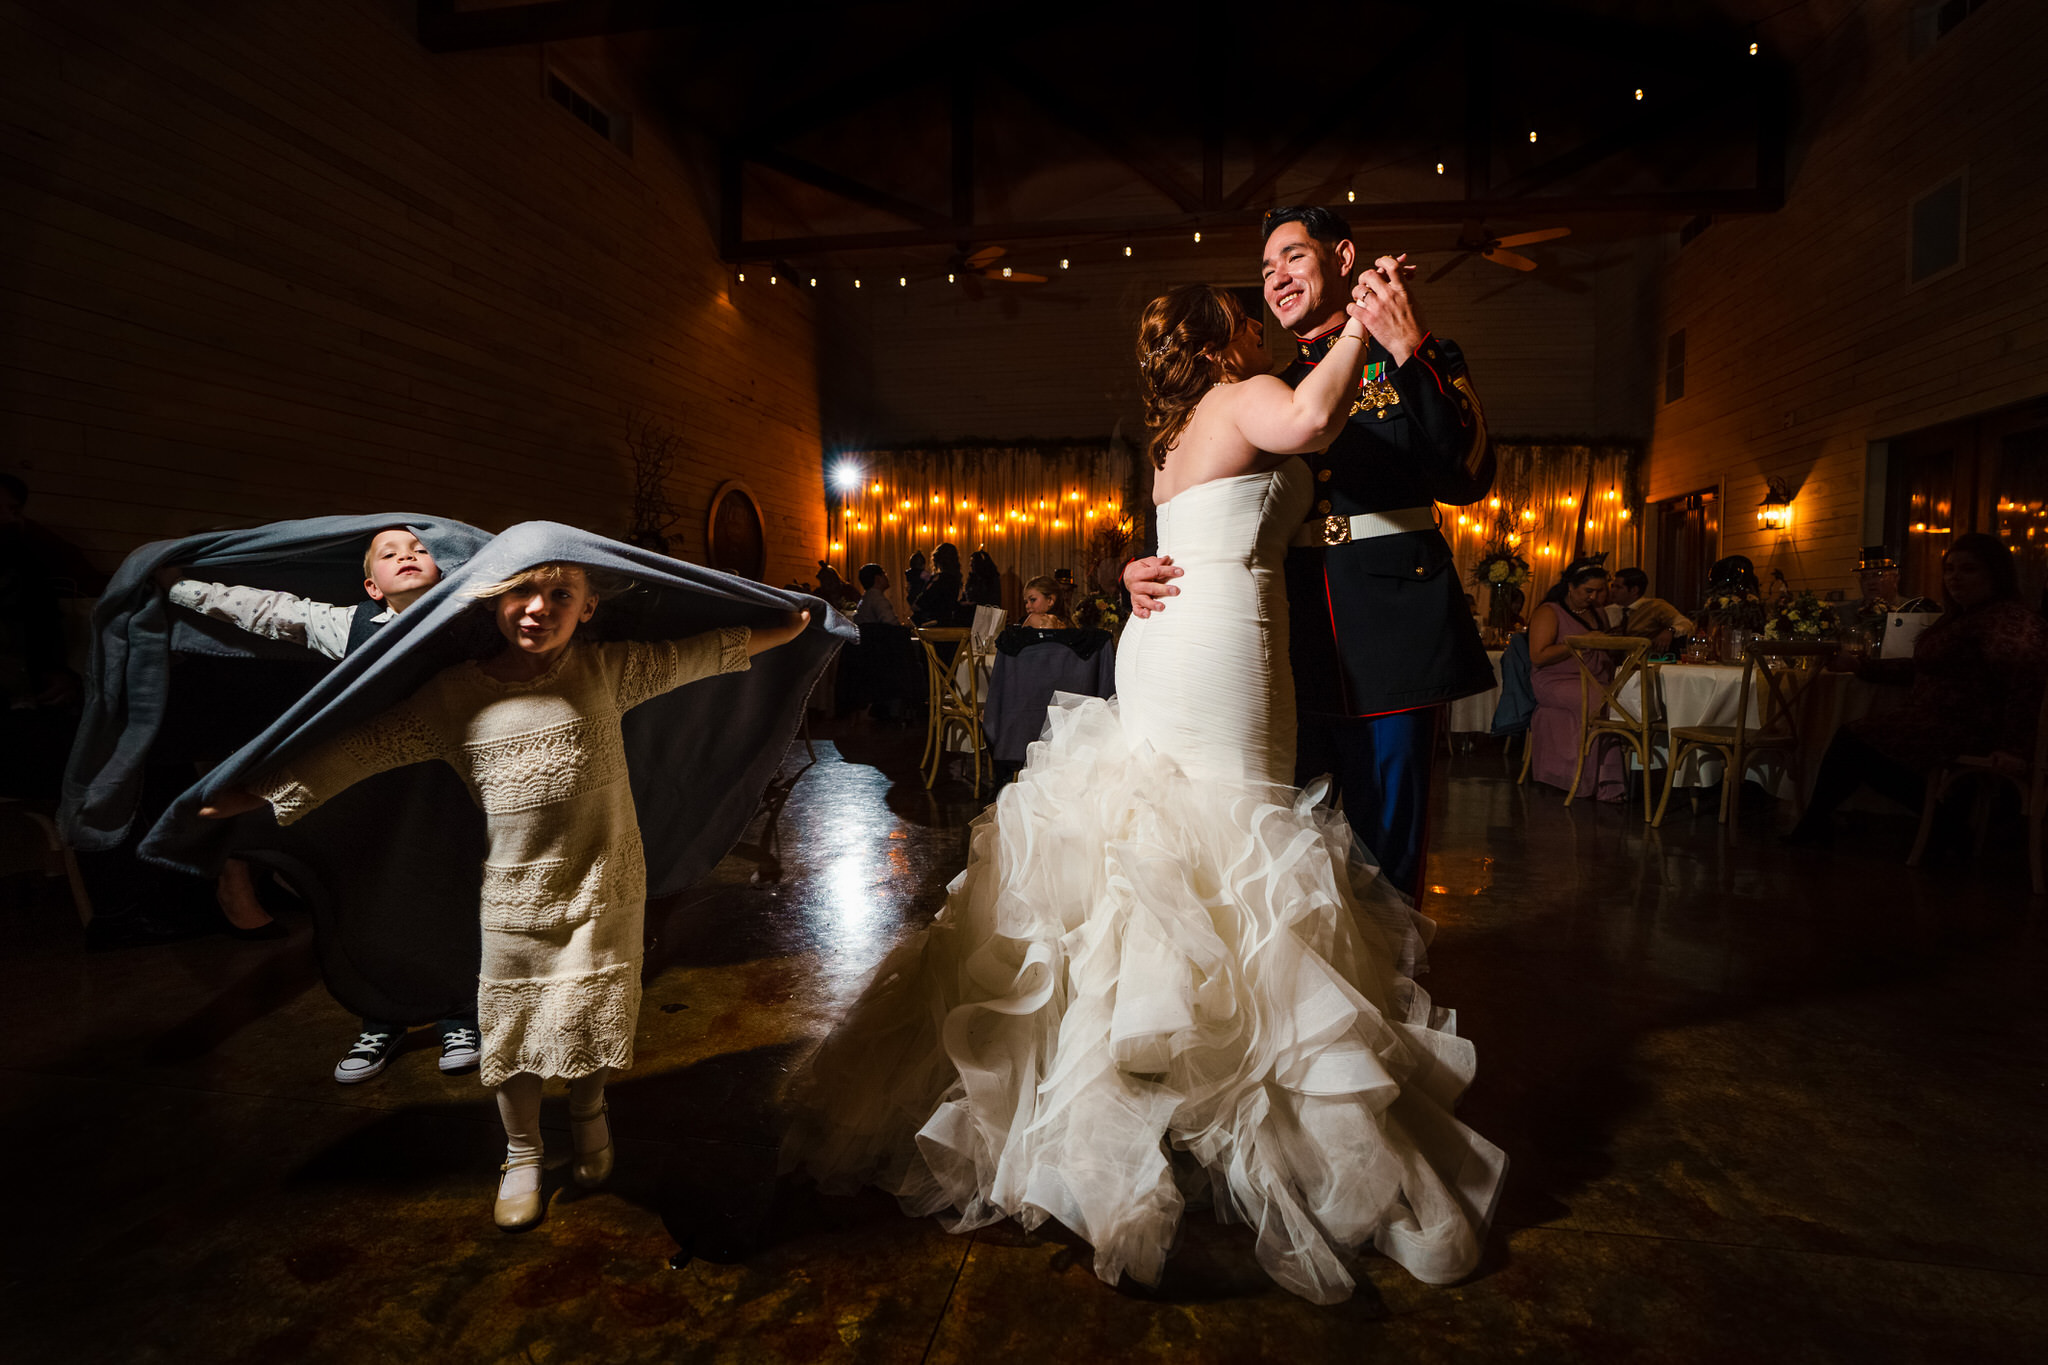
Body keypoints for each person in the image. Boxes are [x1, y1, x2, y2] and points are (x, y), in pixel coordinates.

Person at [784, 283, 1503, 1303]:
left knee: (1179, 857)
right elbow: (1308, 421)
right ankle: (1178, 1118)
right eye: (1239, 318)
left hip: (1183, 640)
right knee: (1219, 845)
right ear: (1216, 345)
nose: (1256, 326)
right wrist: (1362, 322)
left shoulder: (1178, 430)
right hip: (1217, 652)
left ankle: (1155, 1105)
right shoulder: (1249, 393)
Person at [202, 563, 811, 1229]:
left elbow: (700, 655)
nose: (537, 609)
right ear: (495, 601)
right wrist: (259, 793)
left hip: (605, 888)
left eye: (559, 595)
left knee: (591, 1009)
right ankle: (521, 1152)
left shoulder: (609, 670)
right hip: (517, 899)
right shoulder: (453, 696)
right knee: (515, 1029)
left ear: (586, 608)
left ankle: (588, 1115)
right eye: (521, 592)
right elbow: (359, 750)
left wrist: (790, 627)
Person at [1123, 206, 1495, 902]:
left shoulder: (1412, 356)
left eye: (1292, 257)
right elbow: (1206, 499)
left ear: (1344, 257)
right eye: (1265, 270)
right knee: (1290, 856)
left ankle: (1391, 998)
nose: (1276, 279)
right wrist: (1143, 564)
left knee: (1387, 852)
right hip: (1282, 642)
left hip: (1388, 633)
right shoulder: (1262, 382)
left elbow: (1468, 476)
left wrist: (1409, 346)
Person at [161, 528, 485, 1081]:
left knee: (450, 899)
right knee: (364, 901)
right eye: (389, 554)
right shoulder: (349, 625)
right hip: (365, 792)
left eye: (420, 549)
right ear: (372, 586)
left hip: (446, 794)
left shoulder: (474, 622)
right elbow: (268, 611)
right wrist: (179, 589)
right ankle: (379, 1021)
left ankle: (459, 1014)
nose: (406, 555)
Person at [1787, 534, 2048, 845]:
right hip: (1940, 720)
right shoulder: (1965, 617)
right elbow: (1922, 667)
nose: (1955, 577)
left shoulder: (2008, 620)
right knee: (1857, 742)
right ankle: (1944, 821)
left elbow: (2027, 682)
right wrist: (1861, 666)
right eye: (1949, 568)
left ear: (1996, 573)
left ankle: (1939, 822)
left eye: (1968, 569)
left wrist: (2015, 749)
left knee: (1854, 742)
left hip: (1967, 728)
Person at [1527, 556, 1626, 802]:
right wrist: (1580, 643)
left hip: (1596, 679)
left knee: (1628, 697)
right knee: (1597, 701)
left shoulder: (1599, 613)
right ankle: (1601, 781)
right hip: (1556, 680)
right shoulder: (1550, 611)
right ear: (1571, 587)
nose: (1594, 596)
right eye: (1588, 591)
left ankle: (1620, 775)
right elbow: (1538, 656)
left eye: (1600, 591)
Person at [1605, 567, 1691, 655]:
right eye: (1612, 586)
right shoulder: (1609, 610)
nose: (1612, 591)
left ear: (1634, 590)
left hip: (1644, 661)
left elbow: (1685, 623)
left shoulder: (1655, 606)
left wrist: (1670, 630)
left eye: (1618, 587)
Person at [911, 541, 968, 626]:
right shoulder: (955, 579)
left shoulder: (938, 579)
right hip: (946, 622)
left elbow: (920, 603)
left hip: (932, 623)